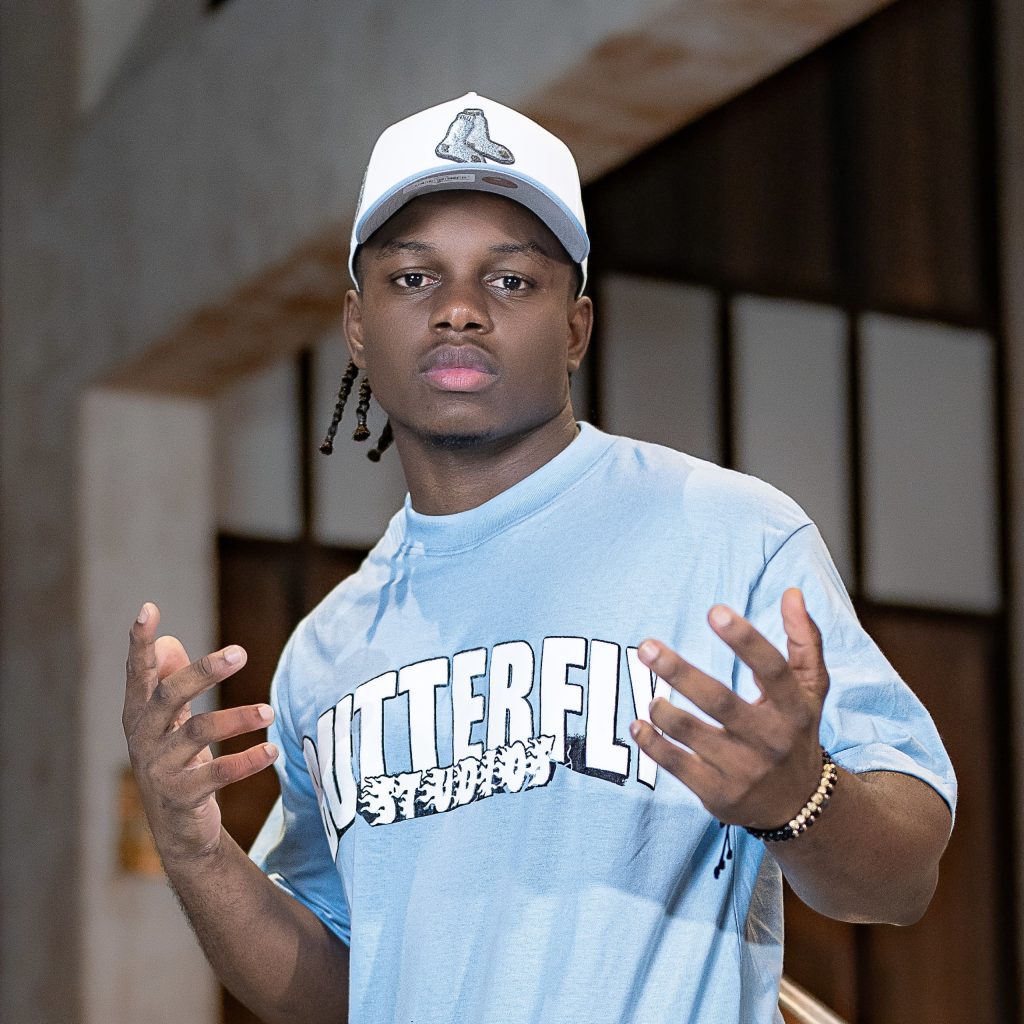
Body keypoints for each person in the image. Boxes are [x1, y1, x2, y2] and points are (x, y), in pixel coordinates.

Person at [123, 93, 955, 1024]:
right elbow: (338, 994)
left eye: (512, 280)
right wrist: (193, 848)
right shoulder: (329, 649)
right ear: (357, 324)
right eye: (413, 277)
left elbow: (904, 879)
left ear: (576, 329)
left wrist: (800, 799)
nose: (460, 311)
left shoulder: (732, 536)